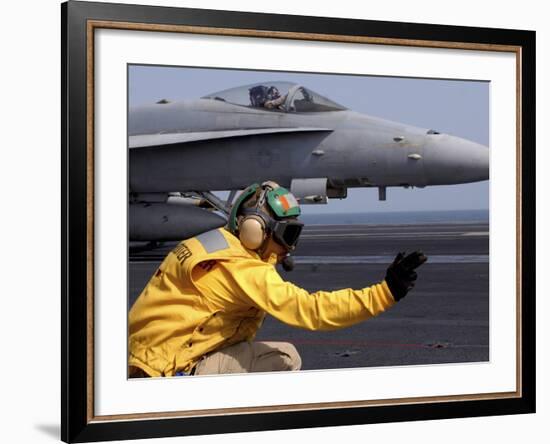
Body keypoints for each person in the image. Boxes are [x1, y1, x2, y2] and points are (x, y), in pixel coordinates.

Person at [128, 181, 427, 377]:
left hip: (139, 360)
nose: (290, 247)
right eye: (287, 235)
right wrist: (386, 292)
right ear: (255, 230)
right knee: (285, 359)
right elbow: (311, 310)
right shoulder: (243, 269)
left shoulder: (208, 243)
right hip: (164, 371)